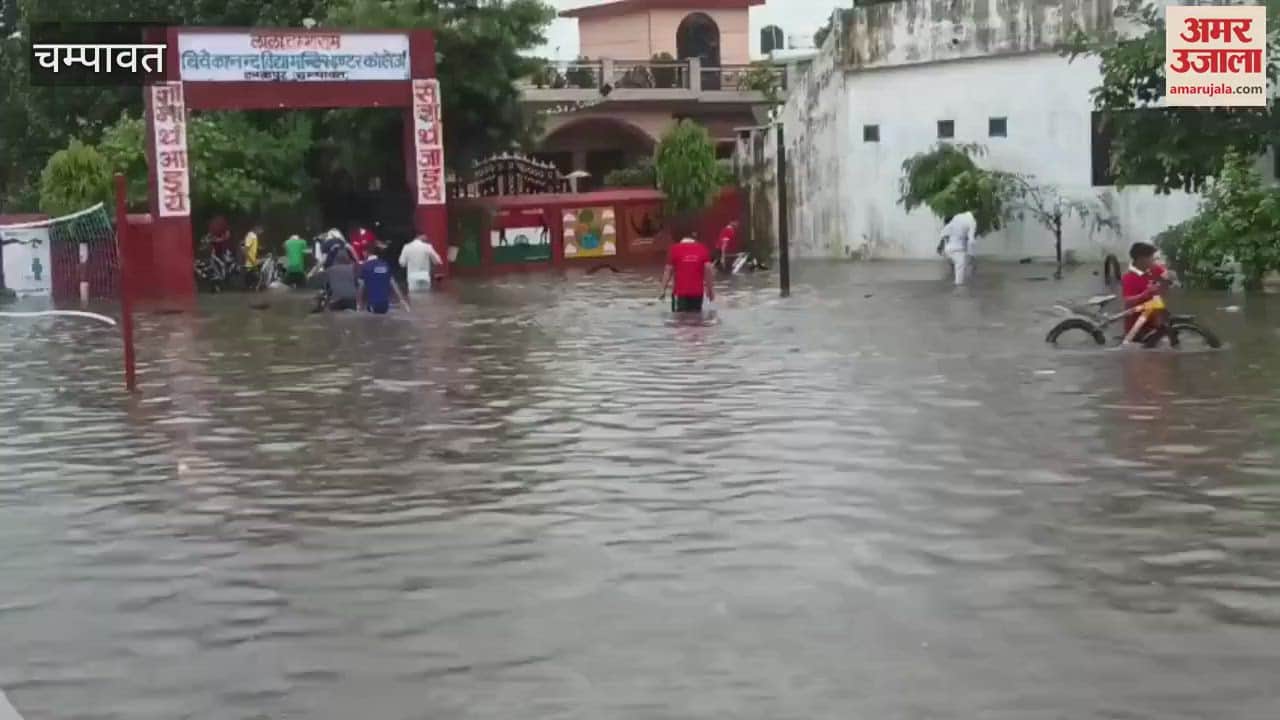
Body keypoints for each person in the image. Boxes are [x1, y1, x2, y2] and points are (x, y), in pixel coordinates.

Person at [1121, 241, 1171, 344]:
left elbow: (1166, 276)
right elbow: (1128, 301)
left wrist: (1169, 277)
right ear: (1141, 259)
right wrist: (1144, 294)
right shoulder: (1129, 277)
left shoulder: (1152, 269)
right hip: (1139, 326)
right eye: (1151, 257)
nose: (1154, 260)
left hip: (1155, 318)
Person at [661, 236, 715, 313]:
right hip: (697, 293)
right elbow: (708, 270)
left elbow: (668, 271)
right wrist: (710, 290)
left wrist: (663, 290)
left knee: (678, 317)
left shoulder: (674, 249)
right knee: (696, 317)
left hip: (679, 293)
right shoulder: (702, 248)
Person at [359, 242, 410, 314]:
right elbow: (394, 285)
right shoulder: (385, 265)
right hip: (385, 306)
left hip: (372, 306)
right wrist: (402, 301)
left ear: (365, 253)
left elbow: (361, 288)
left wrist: (359, 304)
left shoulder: (365, 267)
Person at [937, 211, 977, 285]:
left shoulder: (952, 227)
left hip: (953, 250)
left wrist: (940, 247)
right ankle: (959, 281)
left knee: (959, 265)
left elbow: (943, 236)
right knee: (960, 265)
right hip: (955, 249)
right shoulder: (958, 226)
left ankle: (958, 278)